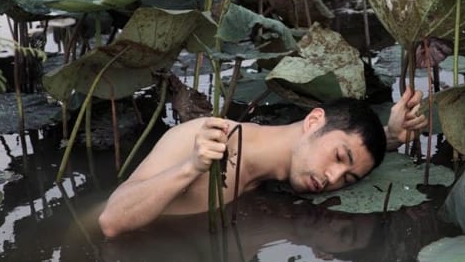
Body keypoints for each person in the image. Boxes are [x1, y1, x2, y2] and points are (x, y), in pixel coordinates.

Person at [98, 87, 426, 237]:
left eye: (348, 179)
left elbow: (343, 152)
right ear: (313, 121)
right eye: (339, 158)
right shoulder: (207, 140)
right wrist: (192, 167)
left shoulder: (282, 169)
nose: (333, 176)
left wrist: (392, 136)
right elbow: (111, 221)